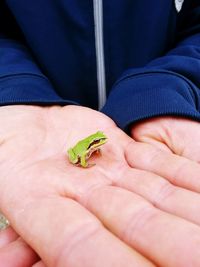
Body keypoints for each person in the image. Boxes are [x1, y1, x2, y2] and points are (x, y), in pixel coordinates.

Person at [1, 0, 200, 266]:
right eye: (99, 142)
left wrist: (167, 84)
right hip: (49, 104)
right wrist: (13, 89)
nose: (101, 143)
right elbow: (80, 156)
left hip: (138, 98)